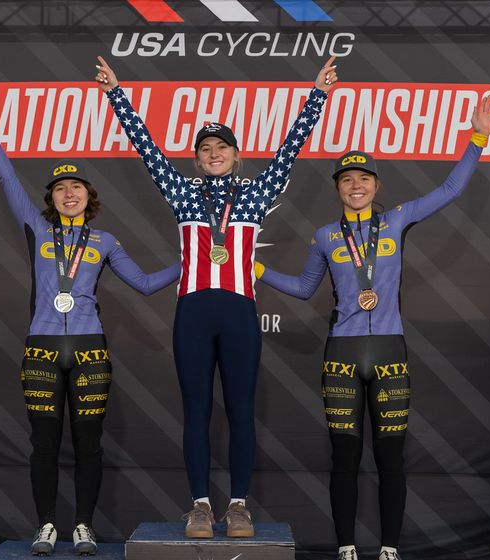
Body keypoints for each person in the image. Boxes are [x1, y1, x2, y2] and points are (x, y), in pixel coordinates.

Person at [93, 55, 337, 538]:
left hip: (240, 311)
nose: (214, 152)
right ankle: (201, 505)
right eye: (205, 148)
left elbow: (290, 148)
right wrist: (115, 94)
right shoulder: (182, 193)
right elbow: (147, 151)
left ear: (236, 154)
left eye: (222, 146)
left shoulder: (255, 194)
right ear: (197, 158)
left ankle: (239, 507)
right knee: (197, 409)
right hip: (193, 312)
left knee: (242, 409)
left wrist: (318, 96)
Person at [254, 97, 490, 560]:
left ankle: (389, 548)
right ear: (338, 189)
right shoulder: (326, 236)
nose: (356, 186)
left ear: (376, 185)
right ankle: (346, 547)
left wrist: (478, 138)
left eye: (363, 178)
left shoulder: (396, 220)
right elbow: (305, 288)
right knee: (344, 459)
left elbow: (448, 190)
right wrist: (257, 269)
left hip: (389, 353)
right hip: (342, 357)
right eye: (347, 180)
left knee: (390, 459)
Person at [0, 91, 179, 556]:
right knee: (44, 443)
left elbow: (143, 283)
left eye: (76, 186)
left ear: (89, 197)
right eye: (60, 187)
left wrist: (191, 265)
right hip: (41, 346)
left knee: (88, 443)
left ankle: (83, 524)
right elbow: (6, 179)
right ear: (50, 199)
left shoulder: (104, 240)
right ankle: (46, 525)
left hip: (89, 349)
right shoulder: (37, 230)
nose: (68, 192)